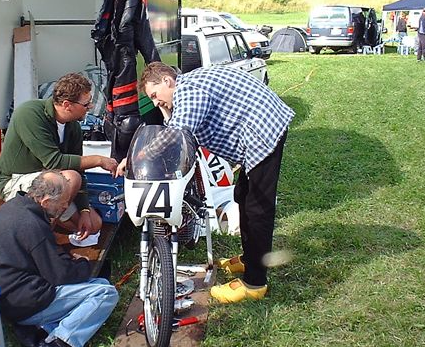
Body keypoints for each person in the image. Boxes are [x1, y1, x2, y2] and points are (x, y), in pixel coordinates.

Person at [119, 62, 294, 303]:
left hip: (263, 129)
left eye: (155, 95)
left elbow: (177, 134)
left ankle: (255, 283)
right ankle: (249, 258)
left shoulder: (189, 90)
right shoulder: (186, 88)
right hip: (255, 129)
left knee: (258, 207)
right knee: (242, 194)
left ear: (167, 82)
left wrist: (138, 156)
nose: (156, 102)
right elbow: (175, 126)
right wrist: (165, 114)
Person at [0, 170, 119, 347]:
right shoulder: (32, 224)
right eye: (63, 202)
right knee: (106, 293)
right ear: (45, 202)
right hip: (25, 304)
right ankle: (60, 342)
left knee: (100, 282)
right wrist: (83, 263)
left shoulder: (13, 207)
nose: (65, 206)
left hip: (8, 296)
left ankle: (38, 330)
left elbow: (46, 255)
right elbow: (60, 275)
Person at [0, 73, 118, 239]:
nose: (91, 106)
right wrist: (98, 160)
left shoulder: (74, 127)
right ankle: (41, 237)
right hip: (14, 180)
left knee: (94, 225)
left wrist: (85, 209)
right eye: (86, 104)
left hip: (52, 183)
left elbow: (77, 169)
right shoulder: (29, 114)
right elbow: (54, 161)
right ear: (67, 105)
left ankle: (46, 219)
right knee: (71, 178)